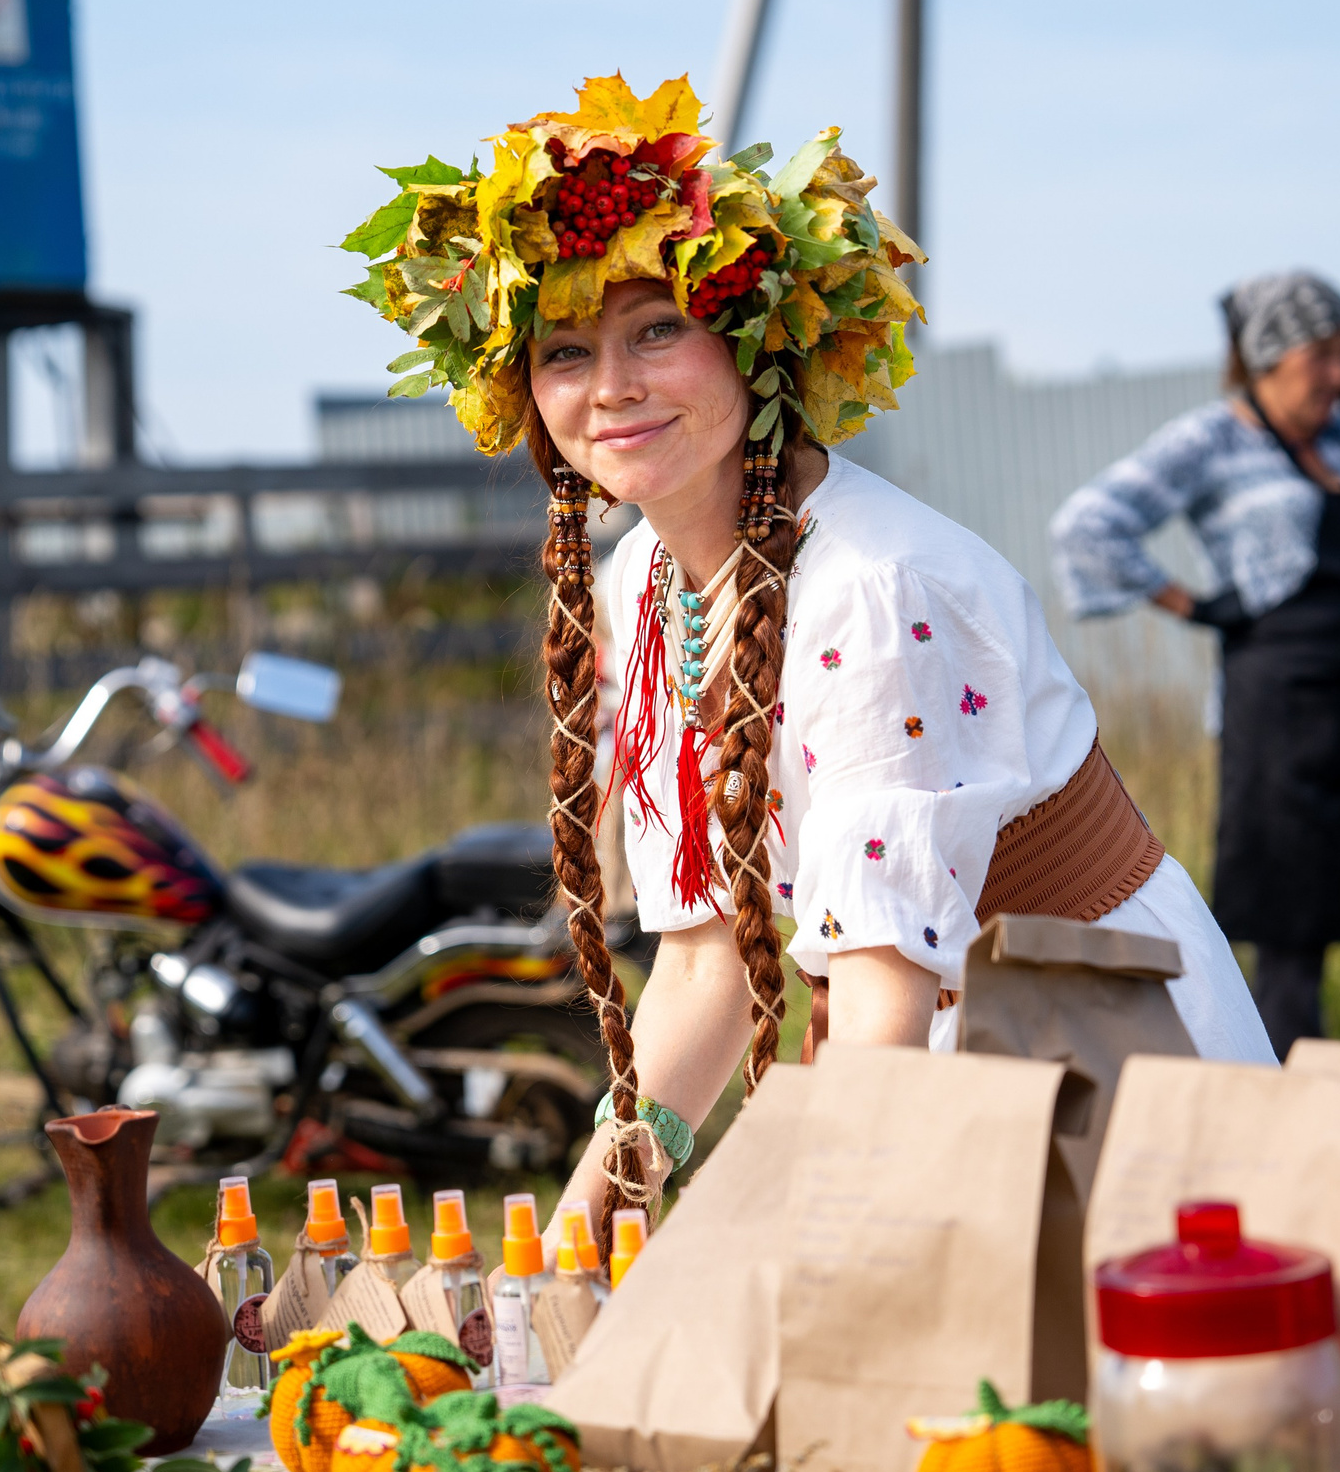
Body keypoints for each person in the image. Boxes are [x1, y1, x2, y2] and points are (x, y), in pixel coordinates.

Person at [345, 73, 1271, 1237]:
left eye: (656, 330)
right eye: (566, 352)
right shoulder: (640, 585)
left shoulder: (877, 590)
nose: (613, 387)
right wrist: (578, 1238)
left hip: (1090, 1046)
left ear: (752, 349)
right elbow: (704, 971)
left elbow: (882, 995)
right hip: (919, 1049)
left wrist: (779, 1239)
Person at [1050, 271, 1340, 1058]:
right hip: (1279, 728)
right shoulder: (1211, 439)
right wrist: (1190, 602)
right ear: (1269, 357)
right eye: (1324, 354)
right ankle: (1298, 1134)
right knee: (1292, 948)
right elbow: (1087, 525)